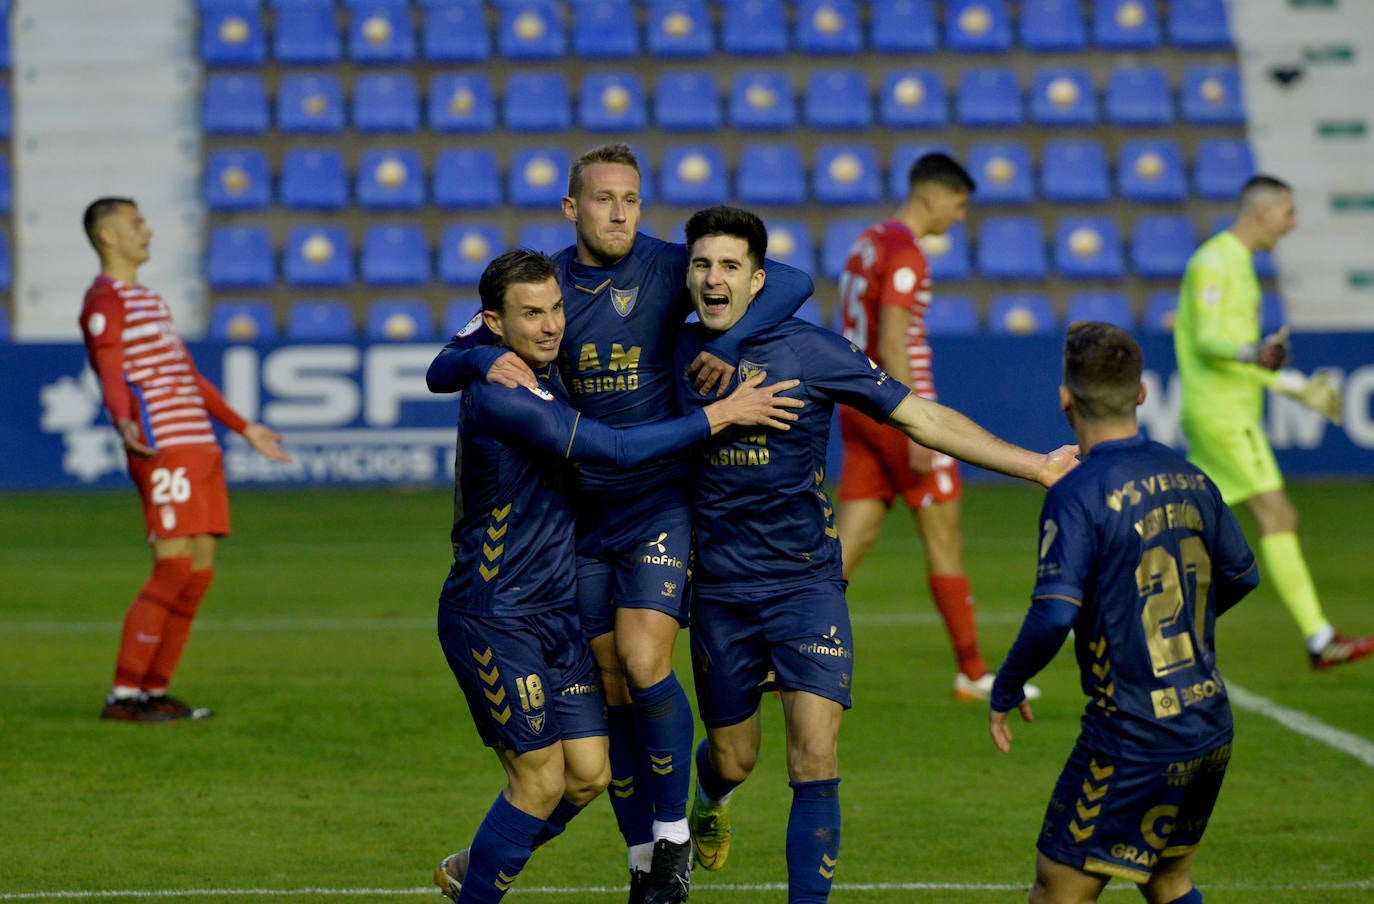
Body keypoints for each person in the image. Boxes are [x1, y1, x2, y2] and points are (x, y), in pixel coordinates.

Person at [428, 144, 813, 904]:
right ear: (571, 208)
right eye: (602, 199)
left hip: (655, 499)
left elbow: (793, 280)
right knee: (604, 706)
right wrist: (478, 361)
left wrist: (729, 345)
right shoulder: (543, 287)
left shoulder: (668, 267)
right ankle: (643, 864)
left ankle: (672, 839)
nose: (618, 213)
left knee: (643, 664)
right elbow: (443, 364)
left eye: (631, 199)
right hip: (576, 517)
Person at [673, 206, 1079, 903]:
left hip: (806, 583)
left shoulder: (811, 351)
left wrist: (1036, 465)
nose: (714, 278)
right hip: (718, 592)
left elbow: (922, 416)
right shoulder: (669, 353)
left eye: (730, 266)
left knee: (816, 752)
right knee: (736, 758)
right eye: (703, 265)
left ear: (757, 280)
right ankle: (710, 800)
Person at [990, 321, 1261, 904]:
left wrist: (1006, 685)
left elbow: (1053, 615)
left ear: (1065, 397)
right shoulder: (1191, 476)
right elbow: (1242, 574)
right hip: (1209, 722)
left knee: (1055, 889)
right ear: (1141, 394)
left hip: (1133, 733)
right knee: (1167, 879)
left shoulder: (1078, 492)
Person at [78, 197, 292, 723]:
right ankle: (123, 695)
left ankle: (154, 691)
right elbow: (108, 370)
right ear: (108, 237)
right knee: (172, 567)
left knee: (197, 573)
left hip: (198, 444)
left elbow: (187, 376)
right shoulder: (105, 301)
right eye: (136, 223)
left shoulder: (149, 300)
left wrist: (243, 428)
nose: (146, 231)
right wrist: (123, 421)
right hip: (162, 446)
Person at [835, 152, 1037, 702]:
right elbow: (896, 341)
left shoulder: (867, 241)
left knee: (852, 538)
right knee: (945, 535)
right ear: (932, 197)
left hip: (856, 404)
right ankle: (972, 673)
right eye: (959, 203)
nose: (959, 215)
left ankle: (786, 651)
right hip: (898, 410)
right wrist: (915, 425)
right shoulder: (906, 253)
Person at [1174, 174, 1373, 669]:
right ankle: (1318, 636)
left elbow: (1241, 358)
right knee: (1278, 515)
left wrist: (1291, 385)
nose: (1293, 223)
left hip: (1223, 410)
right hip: (1224, 416)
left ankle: (1138, 616)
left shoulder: (1235, 263)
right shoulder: (1215, 262)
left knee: (1189, 527)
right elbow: (1206, 343)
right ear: (1263, 213)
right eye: (1288, 212)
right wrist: (1258, 355)